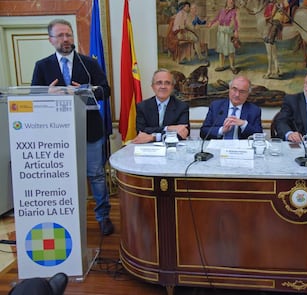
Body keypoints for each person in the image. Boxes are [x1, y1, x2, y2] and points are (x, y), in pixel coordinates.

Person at [31, 19, 114, 236]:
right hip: (57, 132)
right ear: (51, 40)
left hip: (90, 129)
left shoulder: (89, 63)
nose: (66, 39)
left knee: (96, 174)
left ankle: (103, 217)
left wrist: (87, 91)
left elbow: (106, 90)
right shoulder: (42, 66)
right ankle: (67, 219)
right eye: (60, 35)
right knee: (64, 176)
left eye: (68, 34)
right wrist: (45, 94)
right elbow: (33, 97)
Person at [131, 69, 190, 144]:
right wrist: (168, 128)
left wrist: (153, 137)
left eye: (167, 83)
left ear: (172, 87)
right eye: (159, 83)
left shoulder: (182, 107)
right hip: (148, 149)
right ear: (153, 86)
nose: (163, 86)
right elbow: (141, 131)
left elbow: (183, 133)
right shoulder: (142, 106)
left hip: (172, 149)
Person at [200, 75, 262, 139]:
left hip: (241, 148)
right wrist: (222, 130)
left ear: (248, 94)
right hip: (219, 147)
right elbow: (203, 132)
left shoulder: (254, 110)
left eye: (242, 92)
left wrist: (244, 124)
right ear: (229, 89)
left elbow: (259, 136)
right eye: (234, 89)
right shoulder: (216, 106)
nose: (237, 94)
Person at [207, 0, 239, 74]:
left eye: (232, 2)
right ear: (226, 3)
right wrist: (211, 23)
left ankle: (232, 66)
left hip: (228, 31)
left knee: (230, 50)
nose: (230, 3)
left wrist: (236, 31)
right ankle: (221, 65)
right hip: (221, 31)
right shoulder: (222, 10)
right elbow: (217, 18)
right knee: (221, 49)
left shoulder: (234, 11)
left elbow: (236, 22)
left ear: (233, 3)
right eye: (229, 2)